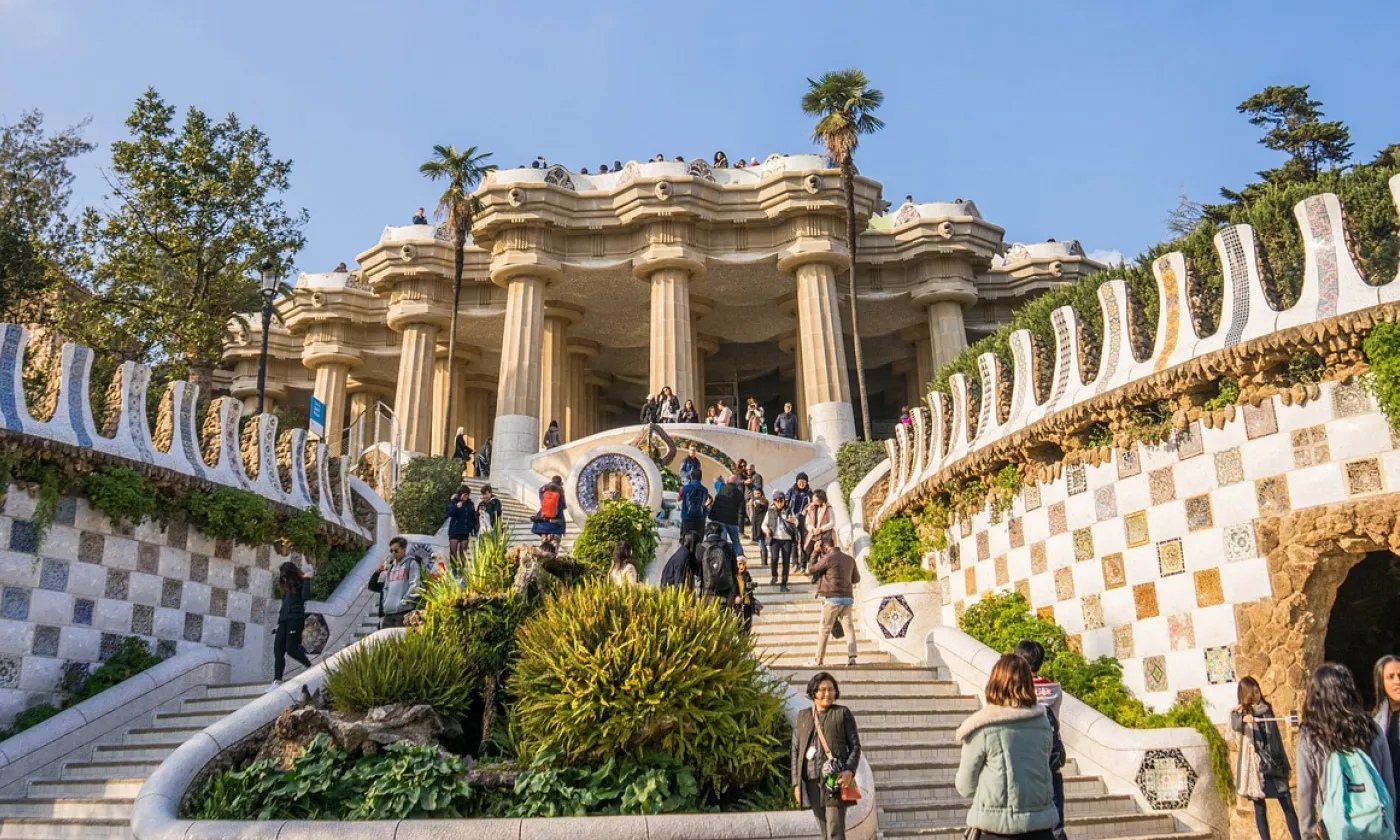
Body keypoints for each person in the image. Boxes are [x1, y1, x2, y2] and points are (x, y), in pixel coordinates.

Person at [955, 654, 1060, 840]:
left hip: (996, 829)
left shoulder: (983, 727)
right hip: (1041, 828)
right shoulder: (1042, 723)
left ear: (995, 683)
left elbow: (965, 786)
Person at [1296, 662, 1398, 840]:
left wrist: (1308, 834)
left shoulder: (1310, 736)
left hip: (1337, 828)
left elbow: (1305, 791)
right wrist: (1391, 823)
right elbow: (1387, 783)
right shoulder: (1371, 728)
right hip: (1376, 824)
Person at [792, 671, 862, 840]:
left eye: (831, 689)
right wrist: (796, 784)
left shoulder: (842, 713)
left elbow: (855, 746)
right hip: (811, 780)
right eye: (822, 689)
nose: (827, 694)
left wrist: (849, 771)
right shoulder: (803, 716)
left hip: (834, 780)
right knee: (824, 832)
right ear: (813, 692)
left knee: (835, 830)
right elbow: (795, 750)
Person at [1232, 676, 1301, 840]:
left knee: (1287, 803)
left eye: (1258, 691)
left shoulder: (1266, 709)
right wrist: (1244, 719)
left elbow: (1276, 739)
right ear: (1246, 694)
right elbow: (1235, 724)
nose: (1257, 695)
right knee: (1260, 808)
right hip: (1258, 768)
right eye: (1253, 692)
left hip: (1275, 763)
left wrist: (1285, 765)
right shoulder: (1240, 712)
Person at [1015, 640, 1068, 840]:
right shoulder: (1055, 690)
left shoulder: (1018, 691)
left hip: (1026, 765)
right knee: (1056, 826)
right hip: (1050, 761)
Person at [805, 533, 860, 668]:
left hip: (832, 598)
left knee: (824, 629)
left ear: (823, 547)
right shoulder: (850, 559)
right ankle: (852, 657)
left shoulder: (828, 558)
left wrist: (814, 552)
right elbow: (856, 579)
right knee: (849, 628)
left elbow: (811, 569)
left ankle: (819, 659)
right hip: (847, 598)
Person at [270, 561, 313, 689]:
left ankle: (310, 667)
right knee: (278, 649)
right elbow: (283, 606)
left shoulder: (300, 583)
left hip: (295, 618)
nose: (283, 578)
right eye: (282, 576)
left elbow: (306, 597)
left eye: (285, 575)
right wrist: (278, 624)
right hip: (283, 621)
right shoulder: (286, 588)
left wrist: (307, 581)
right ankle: (277, 681)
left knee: (291, 649)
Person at [368, 537, 424, 628]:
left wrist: (404, 602)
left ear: (404, 549)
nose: (393, 553)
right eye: (391, 551)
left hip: (403, 612)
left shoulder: (411, 563)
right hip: (388, 613)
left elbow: (415, 585)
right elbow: (386, 587)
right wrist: (385, 603)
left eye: (396, 550)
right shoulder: (391, 567)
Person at [1373, 654, 1400, 805]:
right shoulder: (1375, 724)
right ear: (1381, 683)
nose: (1398, 681)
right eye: (1391, 677)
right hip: (1388, 802)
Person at [697, 521, 738, 603]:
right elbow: (734, 570)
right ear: (721, 532)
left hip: (707, 589)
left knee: (708, 614)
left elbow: (698, 571)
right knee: (724, 614)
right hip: (726, 589)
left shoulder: (701, 547)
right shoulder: (729, 546)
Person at [764, 491, 798, 590]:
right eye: (777, 501)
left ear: (784, 500)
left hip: (787, 539)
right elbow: (764, 524)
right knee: (774, 559)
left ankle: (784, 583)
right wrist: (766, 530)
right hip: (775, 539)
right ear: (774, 501)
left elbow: (797, 522)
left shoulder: (789, 510)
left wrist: (794, 521)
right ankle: (774, 575)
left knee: (786, 562)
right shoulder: (770, 511)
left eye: (781, 500)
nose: (779, 503)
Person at [709, 474, 747, 559]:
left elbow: (714, 479)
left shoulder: (721, 487)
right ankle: (740, 556)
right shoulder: (740, 494)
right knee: (736, 541)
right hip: (733, 521)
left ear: (727, 481)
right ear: (736, 483)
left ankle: (723, 558)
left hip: (721, 520)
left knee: (723, 540)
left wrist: (721, 480)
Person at [788, 473, 813, 572]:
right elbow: (785, 502)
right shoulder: (791, 491)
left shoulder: (810, 492)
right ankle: (795, 563)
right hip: (793, 518)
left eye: (804, 481)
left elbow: (813, 503)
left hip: (804, 519)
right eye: (800, 481)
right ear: (797, 482)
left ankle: (803, 564)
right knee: (794, 542)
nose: (802, 483)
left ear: (807, 482)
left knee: (804, 542)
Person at [532, 475, 568, 544]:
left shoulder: (543, 493)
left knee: (544, 549)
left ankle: (545, 542)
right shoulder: (561, 495)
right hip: (556, 525)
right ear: (560, 483)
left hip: (543, 525)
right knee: (553, 550)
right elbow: (565, 506)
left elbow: (540, 493)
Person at [804, 489, 836, 566]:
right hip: (813, 535)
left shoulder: (828, 508)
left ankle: (822, 575)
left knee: (825, 557)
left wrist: (821, 529)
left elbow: (832, 522)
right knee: (810, 554)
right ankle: (814, 572)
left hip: (825, 536)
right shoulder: (810, 508)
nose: (813, 500)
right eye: (813, 498)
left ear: (821, 499)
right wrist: (812, 529)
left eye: (815, 498)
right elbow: (807, 523)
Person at [446, 485, 479, 556]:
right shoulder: (454, 502)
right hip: (454, 531)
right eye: (465, 494)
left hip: (465, 531)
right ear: (460, 494)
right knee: (453, 553)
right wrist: (456, 507)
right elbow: (449, 513)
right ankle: (453, 567)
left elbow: (473, 517)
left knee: (463, 553)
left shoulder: (470, 504)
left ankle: (462, 567)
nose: (466, 496)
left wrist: (473, 528)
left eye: (468, 494)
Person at [679, 468, 710, 540]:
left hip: (687, 518)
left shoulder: (686, 488)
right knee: (698, 541)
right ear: (701, 478)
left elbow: (678, 499)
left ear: (691, 477)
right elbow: (704, 502)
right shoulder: (705, 490)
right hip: (700, 518)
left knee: (686, 540)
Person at [734, 556, 757, 631]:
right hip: (737, 605)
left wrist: (756, 602)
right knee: (738, 628)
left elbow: (749, 592)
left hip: (747, 605)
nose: (742, 566)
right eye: (739, 564)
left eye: (743, 564)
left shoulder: (747, 575)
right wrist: (735, 597)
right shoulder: (733, 576)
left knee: (748, 628)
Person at [750, 487, 770, 570]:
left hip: (762, 524)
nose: (757, 495)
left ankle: (764, 562)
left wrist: (757, 504)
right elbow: (752, 513)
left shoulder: (765, 501)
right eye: (755, 494)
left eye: (758, 493)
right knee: (760, 543)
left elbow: (763, 508)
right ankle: (763, 561)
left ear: (761, 493)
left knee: (762, 542)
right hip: (756, 524)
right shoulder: (753, 502)